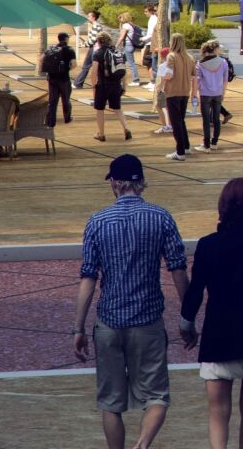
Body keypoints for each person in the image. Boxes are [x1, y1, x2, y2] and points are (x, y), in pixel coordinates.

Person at [75, 154, 189, 449]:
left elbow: (88, 277)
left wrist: (78, 327)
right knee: (157, 397)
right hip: (147, 322)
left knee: (111, 403)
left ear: (115, 183)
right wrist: (188, 316)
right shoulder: (161, 218)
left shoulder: (97, 222)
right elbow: (177, 268)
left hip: (109, 322)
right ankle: (143, 443)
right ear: (140, 183)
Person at [180, 178, 243, 449]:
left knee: (218, 412)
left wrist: (186, 322)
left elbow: (195, 292)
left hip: (218, 336)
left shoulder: (207, 245)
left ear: (221, 206)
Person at [90, 33, 133, 143]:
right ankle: (126, 128)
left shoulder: (98, 53)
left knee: (100, 110)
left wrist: (93, 86)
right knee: (117, 109)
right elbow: (123, 71)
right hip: (116, 85)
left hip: (102, 86)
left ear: (99, 41)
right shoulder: (118, 53)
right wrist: (124, 86)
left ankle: (101, 134)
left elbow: (94, 71)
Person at [160, 34, 195, 161]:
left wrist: (161, 80)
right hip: (185, 91)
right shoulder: (189, 57)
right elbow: (194, 76)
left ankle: (180, 152)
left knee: (175, 122)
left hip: (173, 91)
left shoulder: (171, 56)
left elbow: (169, 74)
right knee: (181, 120)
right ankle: (186, 146)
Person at [193, 41, 230, 153]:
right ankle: (214, 143)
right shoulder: (223, 62)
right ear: (215, 49)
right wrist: (223, 93)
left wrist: (195, 94)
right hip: (218, 93)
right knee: (216, 120)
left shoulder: (200, 64)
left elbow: (197, 81)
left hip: (205, 94)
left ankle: (206, 145)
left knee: (206, 121)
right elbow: (225, 80)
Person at [43, 32, 78, 127]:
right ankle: (67, 118)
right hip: (64, 78)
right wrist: (67, 68)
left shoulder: (51, 49)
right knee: (66, 99)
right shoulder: (69, 50)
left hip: (52, 78)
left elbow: (43, 59)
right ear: (66, 39)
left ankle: (50, 121)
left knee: (52, 100)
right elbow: (74, 64)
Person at [75, 11, 110, 90]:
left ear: (93, 17)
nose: (88, 18)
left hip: (94, 48)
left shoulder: (96, 26)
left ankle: (78, 83)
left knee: (86, 66)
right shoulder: (96, 25)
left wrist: (84, 44)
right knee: (94, 67)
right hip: (95, 48)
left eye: (89, 16)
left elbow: (93, 39)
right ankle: (79, 83)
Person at [116, 10, 143, 87]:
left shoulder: (125, 26)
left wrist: (116, 45)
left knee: (131, 64)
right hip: (130, 46)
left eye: (120, 18)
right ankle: (121, 78)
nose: (119, 20)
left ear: (124, 18)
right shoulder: (131, 25)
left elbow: (121, 37)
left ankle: (136, 80)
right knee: (122, 62)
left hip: (127, 46)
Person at [142, 6, 160, 74]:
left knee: (148, 62)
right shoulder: (152, 19)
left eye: (146, 11)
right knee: (150, 62)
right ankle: (153, 81)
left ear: (151, 11)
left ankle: (153, 81)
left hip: (151, 44)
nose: (145, 13)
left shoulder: (153, 19)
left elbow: (151, 33)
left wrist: (143, 39)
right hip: (150, 43)